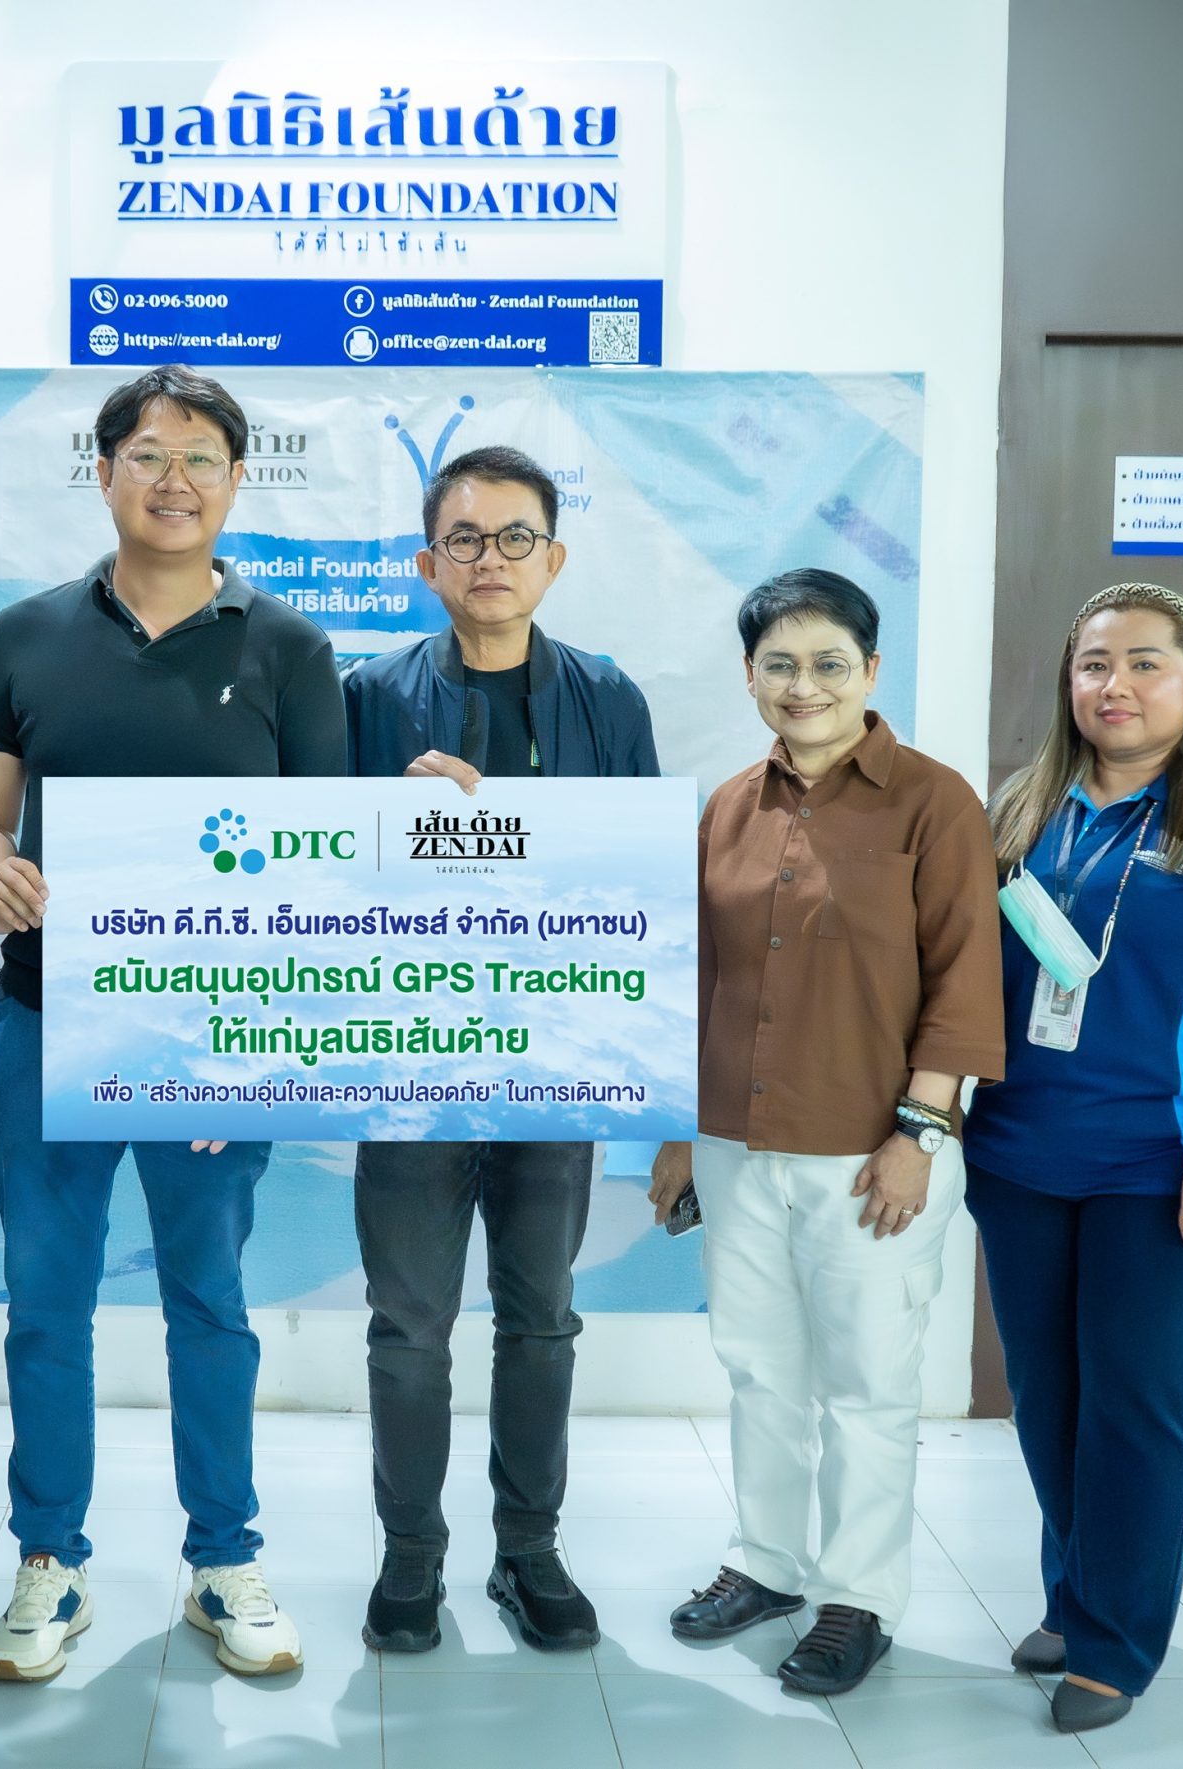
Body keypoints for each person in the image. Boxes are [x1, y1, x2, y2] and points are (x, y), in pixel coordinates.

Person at [0, 365, 347, 1683]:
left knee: (209, 1304)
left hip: (214, 1040)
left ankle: (224, 1559)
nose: (173, 480)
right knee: (44, 1305)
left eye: (201, 459)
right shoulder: (26, 633)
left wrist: (253, 1044)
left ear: (236, 481)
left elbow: (322, 864)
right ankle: (49, 1563)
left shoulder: (288, 648)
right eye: (148, 454)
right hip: (46, 1019)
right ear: (104, 471)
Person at [965, 582, 1183, 1735]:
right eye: (1092, 664)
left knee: (1134, 1399)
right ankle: (1076, 1594)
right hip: (1021, 1153)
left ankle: (1113, 1643)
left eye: (1143, 663)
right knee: (1047, 1393)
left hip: (1164, 1160)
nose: (1112, 685)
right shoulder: (1024, 807)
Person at [646, 568, 1005, 1694]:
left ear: (871, 670)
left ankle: (860, 1595)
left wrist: (919, 1132)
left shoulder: (934, 802)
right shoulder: (726, 807)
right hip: (734, 1143)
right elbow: (692, 978)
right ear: (749, 674)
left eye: (829, 663)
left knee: (865, 1385)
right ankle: (766, 1563)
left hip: (871, 1152)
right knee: (760, 1370)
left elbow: (965, 977)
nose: (804, 685)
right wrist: (677, 1131)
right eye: (780, 664)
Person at [339, 444, 659, 1654]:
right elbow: (310, 884)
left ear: (553, 559)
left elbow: (636, 886)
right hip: (410, 1066)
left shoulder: (608, 698)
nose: (490, 559)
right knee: (408, 1326)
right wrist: (393, 829)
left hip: (552, 1062)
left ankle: (528, 1550)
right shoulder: (365, 697)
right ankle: (410, 1555)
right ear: (427, 563)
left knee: (540, 1318)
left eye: (515, 536)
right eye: (464, 538)